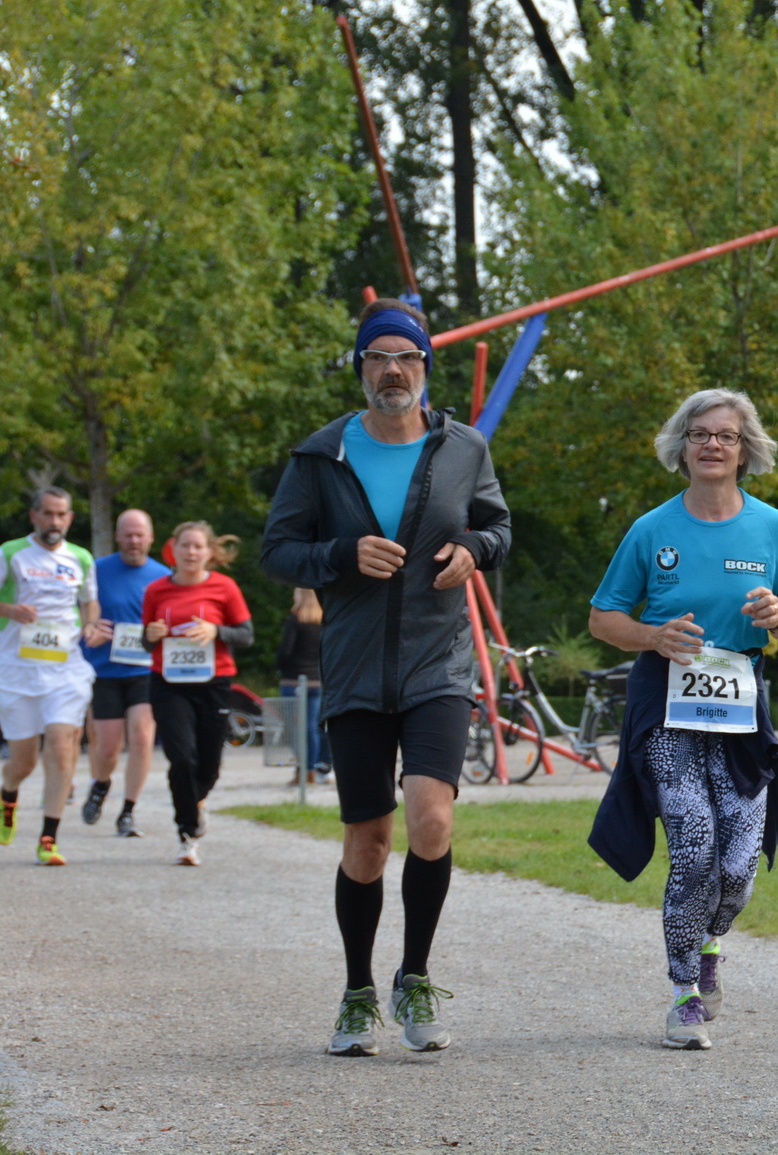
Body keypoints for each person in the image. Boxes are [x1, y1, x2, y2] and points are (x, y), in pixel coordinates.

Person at [262, 297, 510, 1057]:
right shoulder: (320, 455)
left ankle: (415, 974)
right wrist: (341, 556)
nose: (392, 370)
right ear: (361, 368)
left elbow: (499, 526)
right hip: (357, 670)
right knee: (367, 841)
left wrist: (473, 548)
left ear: (425, 368)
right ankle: (357, 990)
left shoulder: (463, 448)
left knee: (431, 819)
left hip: (438, 662)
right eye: (378, 357)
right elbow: (278, 550)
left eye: (406, 357)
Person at [587, 388, 778, 1051]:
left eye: (726, 435)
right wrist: (653, 636)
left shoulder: (774, 528)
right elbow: (603, 618)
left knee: (738, 860)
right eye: (699, 434)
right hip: (667, 707)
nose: (712, 444)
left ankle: (710, 939)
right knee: (694, 844)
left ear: (746, 450)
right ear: (681, 448)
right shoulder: (652, 530)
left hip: (740, 705)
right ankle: (683, 990)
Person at [0, 487, 108, 865]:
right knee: (23, 762)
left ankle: (48, 839)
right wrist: (9, 610)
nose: (54, 522)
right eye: (47, 514)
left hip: (65, 670)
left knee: (62, 749)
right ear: (34, 516)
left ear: (70, 518)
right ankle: (8, 794)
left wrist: (92, 626)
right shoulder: (10, 553)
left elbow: (90, 603)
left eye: (61, 515)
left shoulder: (80, 557)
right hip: (16, 671)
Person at [142, 521, 252, 866]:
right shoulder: (156, 590)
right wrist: (152, 634)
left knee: (209, 765)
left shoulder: (225, 587)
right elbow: (145, 642)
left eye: (198, 546)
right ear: (172, 549)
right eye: (185, 546)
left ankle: (195, 802)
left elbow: (246, 635)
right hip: (168, 684)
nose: (191, 552)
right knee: (181, 757)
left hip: (213, 684)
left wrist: (215, 630)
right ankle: (187, 833)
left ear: (209, 552)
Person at [81, 509, 171, 837]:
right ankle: (100, 784)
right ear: (118, 537)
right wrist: (88, 628)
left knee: (143, 737)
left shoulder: (163, 577)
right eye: (127, 535)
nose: (133, 541)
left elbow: (171, 622)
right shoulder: (96, 571)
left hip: (145, 671)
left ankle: (128, 812)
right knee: (106, 748)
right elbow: (78, 613)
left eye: (139, 535)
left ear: (150, 537)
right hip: (104, 670)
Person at [278, 588, 329, 784]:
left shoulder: (295, 619)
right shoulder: (323, 620)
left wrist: (280, 668)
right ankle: (315, 768)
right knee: (314, 727)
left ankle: (303, 769)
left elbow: (285, 650)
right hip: (317, 681)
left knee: (295, 728)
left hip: (294, 680)